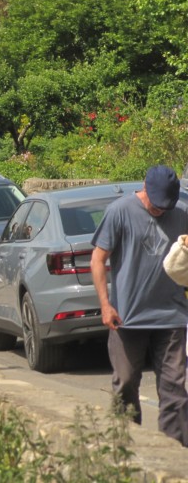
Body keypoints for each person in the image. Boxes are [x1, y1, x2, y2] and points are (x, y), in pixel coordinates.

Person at [91, 165, 188, 447]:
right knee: (125, 382)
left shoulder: (181, 213)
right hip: (127, 318)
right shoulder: (119, 211)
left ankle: (174, 454)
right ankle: (125, 449)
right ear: (144, 188)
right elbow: (98, 260)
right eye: (157, 205)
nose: (161, 211)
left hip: (171, 316)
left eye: (166, 206)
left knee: (175, 390)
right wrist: (105, 306)